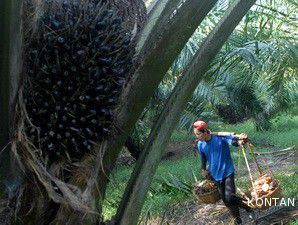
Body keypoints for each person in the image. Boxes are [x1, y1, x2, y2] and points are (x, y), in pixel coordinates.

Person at [193, 120, 254, 225]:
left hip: (227, 171)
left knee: (230, 197)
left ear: (205, 132)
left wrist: (241, 141)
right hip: (215, 175)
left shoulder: (220, 138)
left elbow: (234, 142)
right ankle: (238, 220)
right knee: (226, 201)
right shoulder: (200, 144)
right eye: (196, 135)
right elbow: (203, 157)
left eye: (198, 134)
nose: (197, 137)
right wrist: (204, 169)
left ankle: (248, 207)